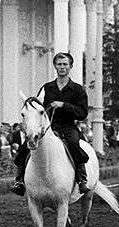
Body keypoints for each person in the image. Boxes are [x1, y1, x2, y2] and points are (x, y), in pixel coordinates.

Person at [11, 52, 90, 196]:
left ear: (70, 66)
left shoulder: (78, 89)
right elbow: (36, 108)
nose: (62, 67)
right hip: (47, 128)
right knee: (25, 148)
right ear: (55, 66)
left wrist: (64, 105)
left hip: (67, 126)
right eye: (59, 64)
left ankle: (81, 179)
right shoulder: (46, 88)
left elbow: (83, 112)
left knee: (73, 143)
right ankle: (19, 182)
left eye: (65, 64)